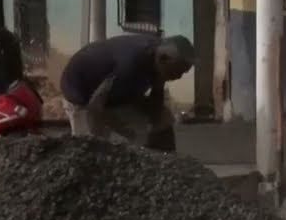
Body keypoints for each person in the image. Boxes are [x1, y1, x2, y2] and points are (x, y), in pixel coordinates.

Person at [60, 33, 195, 152]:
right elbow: (95, 108)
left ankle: (165, 163)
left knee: (163, 119)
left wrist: (154, 128)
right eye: (177, 71)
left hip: (118, 95)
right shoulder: (131, 64)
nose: (178, 77)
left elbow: (156, 99)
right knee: (93, 150)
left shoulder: (159, 54)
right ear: (163, 59)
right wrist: (129, 133)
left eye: (183, 72)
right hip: (84, 99)